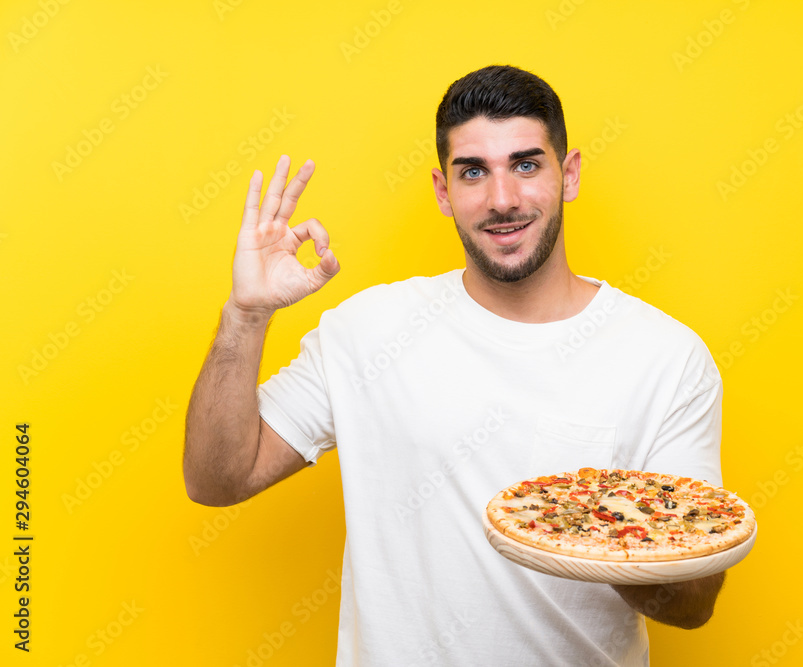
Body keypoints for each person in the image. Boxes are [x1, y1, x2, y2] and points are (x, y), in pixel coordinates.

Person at [184, 65, 726, 666]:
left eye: (526, 164)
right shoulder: (367, 332)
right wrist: (246, 314)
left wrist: (590, 521)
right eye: (474, 172)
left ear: (567, 175)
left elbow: (693, 603)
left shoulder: (667, 359)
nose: (502, 200)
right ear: (444, 191)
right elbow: (217, 480)